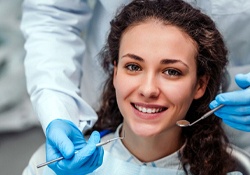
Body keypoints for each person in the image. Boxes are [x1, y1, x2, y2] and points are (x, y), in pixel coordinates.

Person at [20, 0, 250, 174]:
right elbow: (52, 15)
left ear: (200, 84)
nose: (148, 89)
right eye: (133, 66)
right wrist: (58, 110)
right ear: (115, 71)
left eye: (172, 71)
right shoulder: (49, 167)